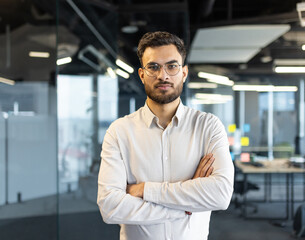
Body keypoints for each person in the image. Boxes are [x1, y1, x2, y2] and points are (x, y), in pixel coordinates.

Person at [97, 31, 234, 240]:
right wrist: (185, 208)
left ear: (184, 73)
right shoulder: (120, 131)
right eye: (153, 67)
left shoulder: (208, 126)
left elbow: (221, 195)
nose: (163, 75)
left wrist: (145, 190)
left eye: (172, 66)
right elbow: (110, 207)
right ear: (142, 74)